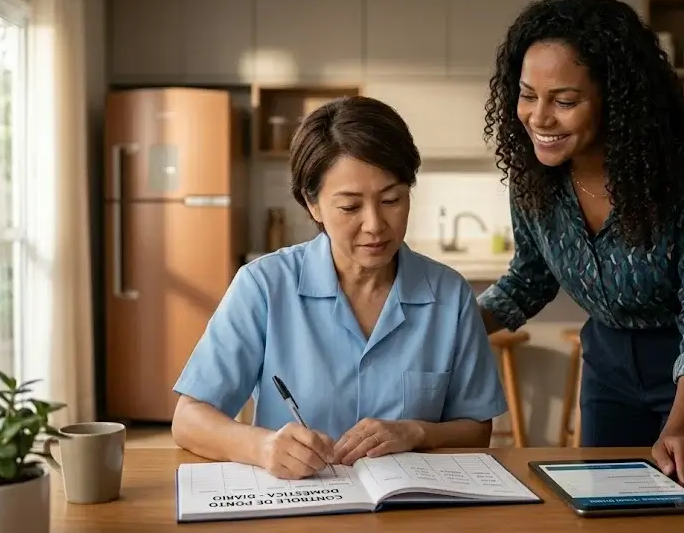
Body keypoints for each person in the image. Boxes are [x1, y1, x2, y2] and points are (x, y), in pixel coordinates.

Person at [477, 0, 684, 491]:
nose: (539, 118)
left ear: (617, 99)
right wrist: (445, 328)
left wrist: (680, 429)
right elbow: (529, 278)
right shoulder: (533, 177)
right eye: (527, 95)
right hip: (609, 364)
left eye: (564, 100)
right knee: (605, 506)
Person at [172, 95, 508, 480]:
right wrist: (262, 447)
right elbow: (189, 419)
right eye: (350, 207)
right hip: (300, 506)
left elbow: (477, 430)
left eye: (392, 199)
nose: (375, 225)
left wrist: (416, 432)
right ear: (312, 205)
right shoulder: (264, 286)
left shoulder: (450, 295)